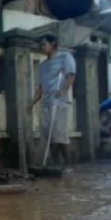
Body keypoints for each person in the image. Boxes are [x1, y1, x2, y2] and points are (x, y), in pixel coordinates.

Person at [27, 34, 76, 170]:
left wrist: (63, 90)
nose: (41, 47)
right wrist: (32, 102)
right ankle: (56, 166)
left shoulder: (65, 57)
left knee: (58, 135)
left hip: (60, 102)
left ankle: (68, 165)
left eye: (44, 44)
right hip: (46, 103)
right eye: (40, 45)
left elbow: (70, 76)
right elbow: (41, 87)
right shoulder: (42, 66)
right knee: (49, 137)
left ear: (53, 43)